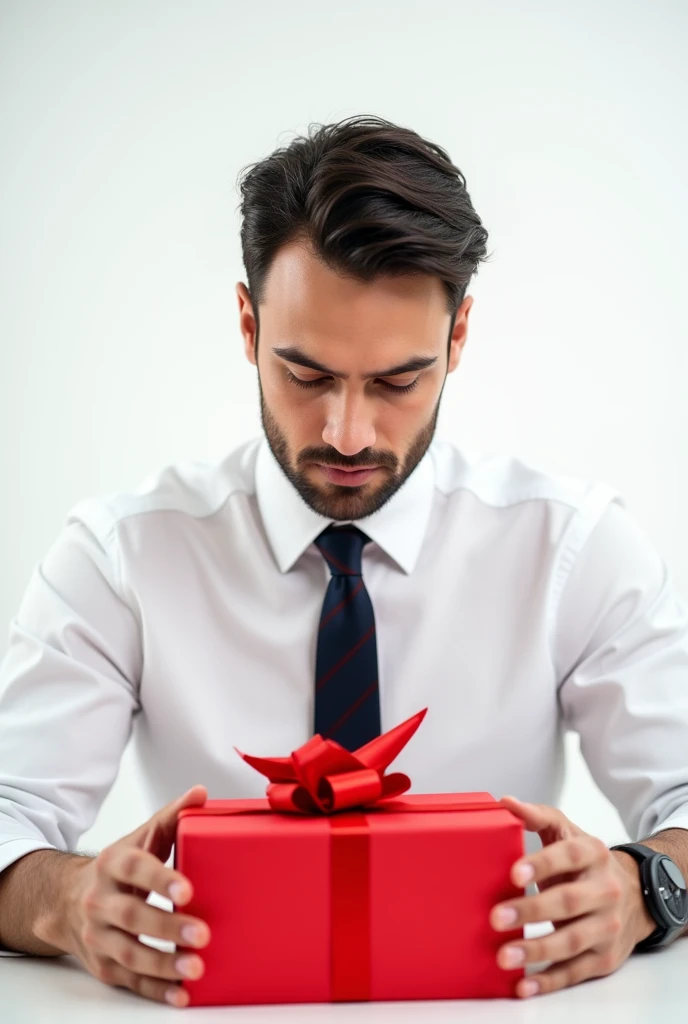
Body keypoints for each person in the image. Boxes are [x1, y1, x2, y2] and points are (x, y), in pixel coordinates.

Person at [0, 114, 687, 1009]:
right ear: (247, 326)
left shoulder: (575, 546)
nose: (348, 434)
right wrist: (69, 901)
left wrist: (645, 890)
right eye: (307, 374)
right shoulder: (121, 557)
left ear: (460, 337)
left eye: (399, 381)